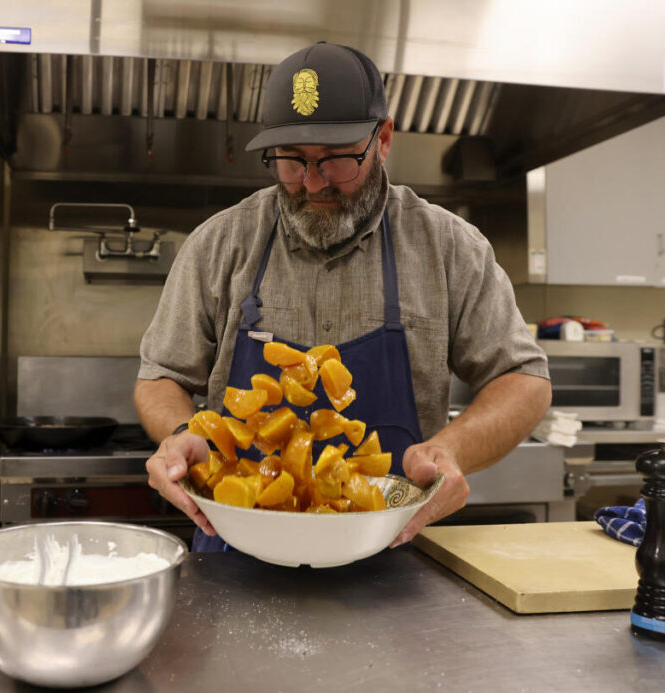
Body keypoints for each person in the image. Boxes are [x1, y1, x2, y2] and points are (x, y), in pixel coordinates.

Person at [135, 41, 552, 551]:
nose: (312, 182)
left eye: (335, 160)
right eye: (290, 161)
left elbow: (524, 381)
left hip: (393, 545)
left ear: (383, 139)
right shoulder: (221, 243)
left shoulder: (448, 247)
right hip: (239, 551)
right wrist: (180, 433)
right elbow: (160, 377)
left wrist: (451, 450)